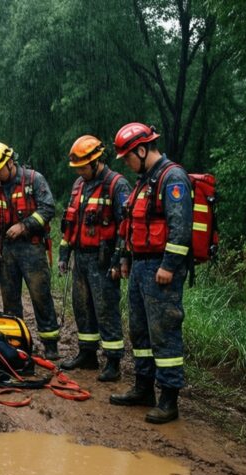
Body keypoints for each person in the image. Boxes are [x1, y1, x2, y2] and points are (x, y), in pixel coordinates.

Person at [110, 122, 193, 424]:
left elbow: (180, 227)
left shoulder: (173, 178)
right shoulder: (145, 180)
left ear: (142, 150)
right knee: (141, 331)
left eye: (128, 157)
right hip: (141, 265)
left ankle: (169, 399)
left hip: (161, 267)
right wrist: (124, 258)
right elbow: (131, 224)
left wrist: (169, 266)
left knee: (164, 332)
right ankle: (143, 388)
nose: (127, 164)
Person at [58, 135, 131, 381]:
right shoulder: (79, 185)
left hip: (104, 259)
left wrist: (119, 260)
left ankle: (113, 362)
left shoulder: (117, 185)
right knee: (82, 307)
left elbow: (126, 227)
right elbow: (70, 223)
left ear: (96, 161)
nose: (79, 171)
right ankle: (87, 354)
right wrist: (64, 254)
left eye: (82, 166)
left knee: (106, 309)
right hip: (80, 257)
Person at [0, 142, 60, 360]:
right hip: (6, 252)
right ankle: (17, 343)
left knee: (40, 296)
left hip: (32, 248)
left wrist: (24, 226)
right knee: (10, 300)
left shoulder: (34, 180)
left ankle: (50, 344)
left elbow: (48, 208)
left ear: (10, 162)